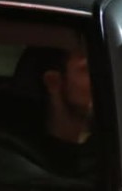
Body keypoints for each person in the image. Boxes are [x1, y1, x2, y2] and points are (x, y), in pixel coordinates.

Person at [15, 45, 99, 176]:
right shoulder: (22, 158)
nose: (104, 80)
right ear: (53, 81)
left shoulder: (107, 152)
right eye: (87, 70)